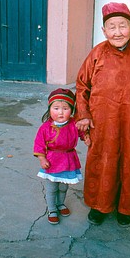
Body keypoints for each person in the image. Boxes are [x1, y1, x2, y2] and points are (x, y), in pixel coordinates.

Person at [75, 2, 130, 227]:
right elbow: (81, 86)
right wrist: (83, 114)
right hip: (102, 121)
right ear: (104, 31)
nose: (118, 32)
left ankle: (127, 207)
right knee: (102, 160)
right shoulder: (97, 53)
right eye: (112, 27)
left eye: (123, 26)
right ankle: (99, 206)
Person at [34, 88, 90, 225]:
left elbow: (82, 133)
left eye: (65, 108)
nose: (60, 112)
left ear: (71, 110)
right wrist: (42, 158)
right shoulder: (45, 127)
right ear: (49, 109)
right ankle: (52, 209)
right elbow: (39, 144)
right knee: (52, 187)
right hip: (52, 161)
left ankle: (60, 204)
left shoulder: (73, 124)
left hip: (69, 160)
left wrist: (86, 137)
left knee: (64, 187)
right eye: (56, 108)